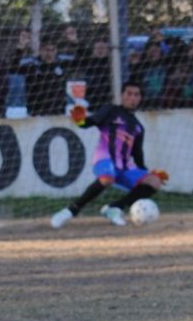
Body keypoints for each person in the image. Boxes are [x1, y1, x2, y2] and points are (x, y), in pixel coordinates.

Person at [50, 81, 169, 228]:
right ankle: (70, 211)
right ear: (122, 96)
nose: (132, 98)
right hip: (105, 160)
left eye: (136, 95)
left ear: (140, 99)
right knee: (107, 178)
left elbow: (138, 155)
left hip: (125, 167)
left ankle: (115, 208)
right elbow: (88, 122)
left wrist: (148, 173)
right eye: (129, 94)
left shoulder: (139, 127)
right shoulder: (110, 110)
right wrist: (80, 120)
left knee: (155, 182)